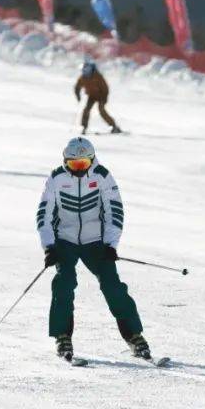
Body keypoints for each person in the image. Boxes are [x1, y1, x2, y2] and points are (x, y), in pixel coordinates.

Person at [36, 137, 150, 363]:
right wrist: (49, 246)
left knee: (113, 285)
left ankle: (134, 335)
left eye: (84, 165)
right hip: (65, 240)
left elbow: (114, 211)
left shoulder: (103, 176)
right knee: (64, 282)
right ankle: (62, 336)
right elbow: (44, 214)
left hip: (95, 240)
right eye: (74, 165)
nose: (79, 170)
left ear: (92, 161)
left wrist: (110, 245)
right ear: (65, 161)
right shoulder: (56, 178)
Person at [73, 59, 122, 135]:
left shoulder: (98, 76)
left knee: (101, 110)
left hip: (101, 96)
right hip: (91, 96)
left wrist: (104, 99)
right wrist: (78, 96)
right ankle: (83, 127)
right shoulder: (82, 78)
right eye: (84, 70)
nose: (85, 72)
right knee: (86, 110)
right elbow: (77, 87)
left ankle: (114, 126)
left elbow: (105, 88)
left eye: (87, 70)